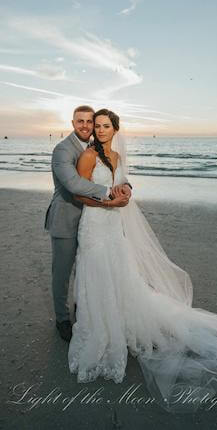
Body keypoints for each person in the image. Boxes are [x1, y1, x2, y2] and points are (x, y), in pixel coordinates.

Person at [67, 108, 217, 413]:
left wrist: (124, 193)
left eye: (107, 126)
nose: (101, 130)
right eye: (98, 126)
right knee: (96, 275)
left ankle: (120, 321)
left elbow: (122, 184)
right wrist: (109, 203)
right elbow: (80, 194)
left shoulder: (117, 158)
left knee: (119, 274)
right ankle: (103, 330)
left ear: (116, 130)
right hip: (94, 225)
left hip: (112, 226)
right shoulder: (89, 156)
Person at [45, 105, 132, 342]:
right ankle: (62, 319)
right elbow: (74, 185)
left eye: (89, 121)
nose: (86, 126)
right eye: (80, 121)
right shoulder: (62, 150)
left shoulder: (98, 148)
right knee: (62, 273)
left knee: (88, 267)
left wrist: (125, 188)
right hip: (66, 218)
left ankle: (83, 309)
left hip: (93, 219)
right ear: (72, 123)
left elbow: (117, 173)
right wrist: (110, 194)